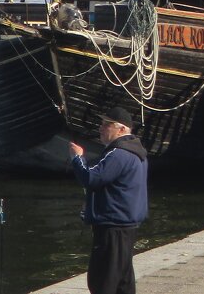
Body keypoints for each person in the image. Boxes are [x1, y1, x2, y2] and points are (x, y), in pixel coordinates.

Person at [70, 106, 149, 294]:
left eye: (106, 125)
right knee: (123, 282)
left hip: (112, 226)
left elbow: (91, 179)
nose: (100, 128)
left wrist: (77, 158)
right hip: (126, 225)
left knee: (102, 282)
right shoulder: (138, 154)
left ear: (121, 129)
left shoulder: (119, 153)